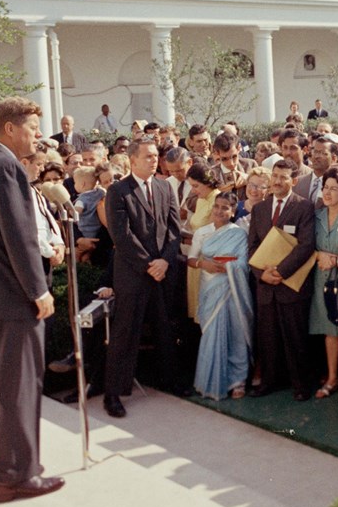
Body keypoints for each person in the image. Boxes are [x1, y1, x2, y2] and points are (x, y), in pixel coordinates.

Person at [0, 96, 63, 502]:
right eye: (33, 128)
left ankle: (4, 469)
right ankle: (17, 475)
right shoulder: (5, 167)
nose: (38, 136)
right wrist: (38, 289)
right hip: (12, 299)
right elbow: (17, 236)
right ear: (9, 129)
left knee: (1, 388)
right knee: (19, 386)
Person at [102, 138, 185, 417]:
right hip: (134, 275)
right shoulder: (118, 191)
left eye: (155, 156)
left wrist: (165, 260)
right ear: (133, 160)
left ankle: (170, 380)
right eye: (147, 156)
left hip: (162, 273)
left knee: (165, 329)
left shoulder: (164, 187)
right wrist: (150, 263)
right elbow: (122, 236)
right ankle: (113, 393)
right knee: (125, 333)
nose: (153, 160)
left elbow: (174, 228)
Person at [246, 157, 317, 399]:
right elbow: (252, 247)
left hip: (291, 284)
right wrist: (262, 274)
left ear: (294, 181)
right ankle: (269, 382)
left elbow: (306, 246)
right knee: (268, 337)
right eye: (274, 176)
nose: (276, 181)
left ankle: (301, 385)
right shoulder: (260, 208)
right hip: (266, 286)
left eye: (282, 177)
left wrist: (281, 272)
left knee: (295, 336)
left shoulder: (304, 207)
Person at [191, 190, 255, 400]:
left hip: (232, 290)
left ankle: (238, 381)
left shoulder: (239, 233)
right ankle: (210, 381)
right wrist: (204, 264)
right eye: (217, 206)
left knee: (235, 333)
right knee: (211, 332)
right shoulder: (202, 232)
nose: (219, 211)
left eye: (225, 207)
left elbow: (244, 263)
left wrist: (229, 266)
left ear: (233, 210)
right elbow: (191, 259)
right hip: (210, 289)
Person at [308, 166, 338, 399]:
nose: (327, 193)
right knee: (329, 330)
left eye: (333, 189)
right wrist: (320, 256)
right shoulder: (315, 216)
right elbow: (308, 247)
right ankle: (332, 377)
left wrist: (336, 260)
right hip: (320, 279)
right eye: (325, 187)